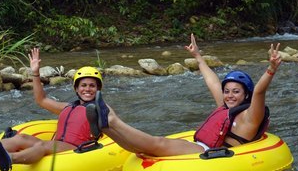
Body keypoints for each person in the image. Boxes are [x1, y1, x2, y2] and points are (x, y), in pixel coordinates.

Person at [86, 34, 282, 156]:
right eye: (227, 91)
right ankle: (106, 127)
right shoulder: (226, 106)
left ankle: (113, 120)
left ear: (246, 95)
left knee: (158, 143)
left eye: (236, 92)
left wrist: (271, 69)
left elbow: (259, 91)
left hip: (208, 153)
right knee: (145, 148)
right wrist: (198, 56)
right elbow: (212, 81)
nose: (229, 96)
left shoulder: (251, 117)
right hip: (201, 147)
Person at [0, 47, 104, 171]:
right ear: (76, 89)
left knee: (43, 145)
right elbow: (41, 100)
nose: (87, 89)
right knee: (22, 138)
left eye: (92, 86)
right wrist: (35, 73)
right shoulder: (67, 107)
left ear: (98, 89)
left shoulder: (101, 108)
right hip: (59, 144)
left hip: (75, 149)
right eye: (83, 85)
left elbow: (111, 123)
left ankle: (10, 159)